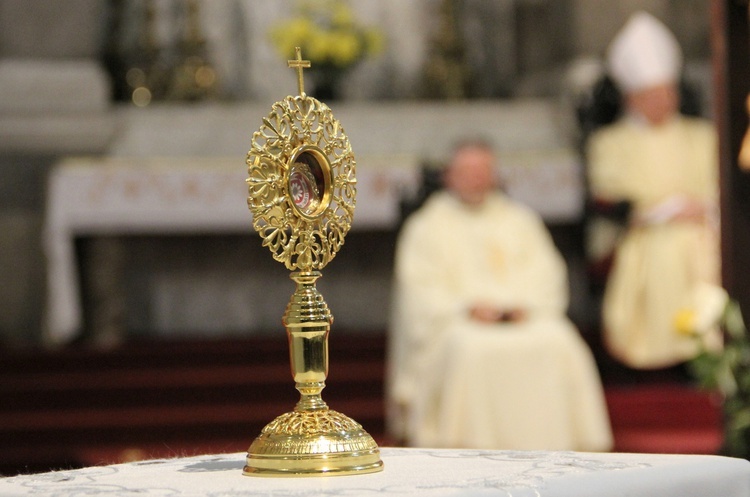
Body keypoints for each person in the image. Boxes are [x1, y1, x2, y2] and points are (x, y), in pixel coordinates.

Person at [387, 139, 612, 451]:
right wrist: (466, 308)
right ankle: (467, 450)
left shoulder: (520, 219)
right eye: (467, 171)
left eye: (483, 171)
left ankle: (559, 449)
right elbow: (420, 290)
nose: (476, 179)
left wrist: (524, 306)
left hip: (521, 316)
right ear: (449, 176)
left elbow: (547, 274)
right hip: (459, 323)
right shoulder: (426, 226)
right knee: (469, 348)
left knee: (561, 340)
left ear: (494, 176)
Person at [586, 11, 722, 370]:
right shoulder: (610, 142)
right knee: (667, 253)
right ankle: (668, 357)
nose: (662, 101)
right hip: (645, 232)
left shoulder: (702, 135)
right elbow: (608, 196)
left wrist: (702, 208)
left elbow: (720, 186)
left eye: (667, 93)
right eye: (652, 95)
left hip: (704, 225)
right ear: (633, 98)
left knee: (712, 250)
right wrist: (663, 211)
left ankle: (713, 353)